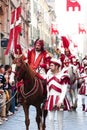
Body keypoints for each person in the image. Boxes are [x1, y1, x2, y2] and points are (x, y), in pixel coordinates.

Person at [44, 58, 70, 130]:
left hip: (59, 99)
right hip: (51, 99)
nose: (50, 67)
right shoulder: (48, 75)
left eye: (52, 65)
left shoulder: (63, 76)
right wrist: (48, 98)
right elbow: (48, 89)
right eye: (50, 65)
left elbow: (64, 89)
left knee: (60, 120)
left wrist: (60, 100)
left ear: (57, 66)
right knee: (50, 119)